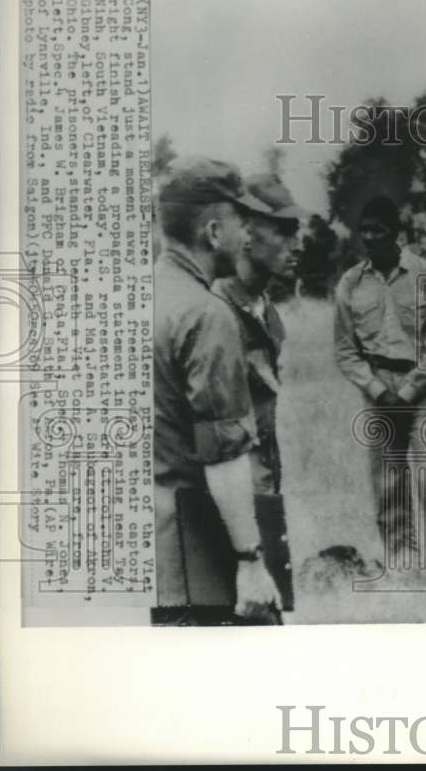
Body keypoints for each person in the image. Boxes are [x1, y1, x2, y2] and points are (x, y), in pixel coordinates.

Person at [152, 156, 282, 625]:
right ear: (211, 232)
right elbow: (223, 455)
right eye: (240, 221)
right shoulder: (208, 315)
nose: (248, 234)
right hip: (199, 565)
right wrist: (250, 561)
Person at [334, 195, 426, 565]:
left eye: (379, 230)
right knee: (387, 479)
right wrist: (378, 391)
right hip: (377, 388)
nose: (370, 237)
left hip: (420, 388)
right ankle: (401, 560)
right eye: (365, 230)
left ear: (397, 234)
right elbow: (345, 351)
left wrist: (405, 395)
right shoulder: (350, 283)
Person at [212, 173, 304, 614]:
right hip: (227, 512)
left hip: (262, 493)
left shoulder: (265, 311)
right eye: (284, 231)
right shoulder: (216, 312)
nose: (297, 243)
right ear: (247, 234)